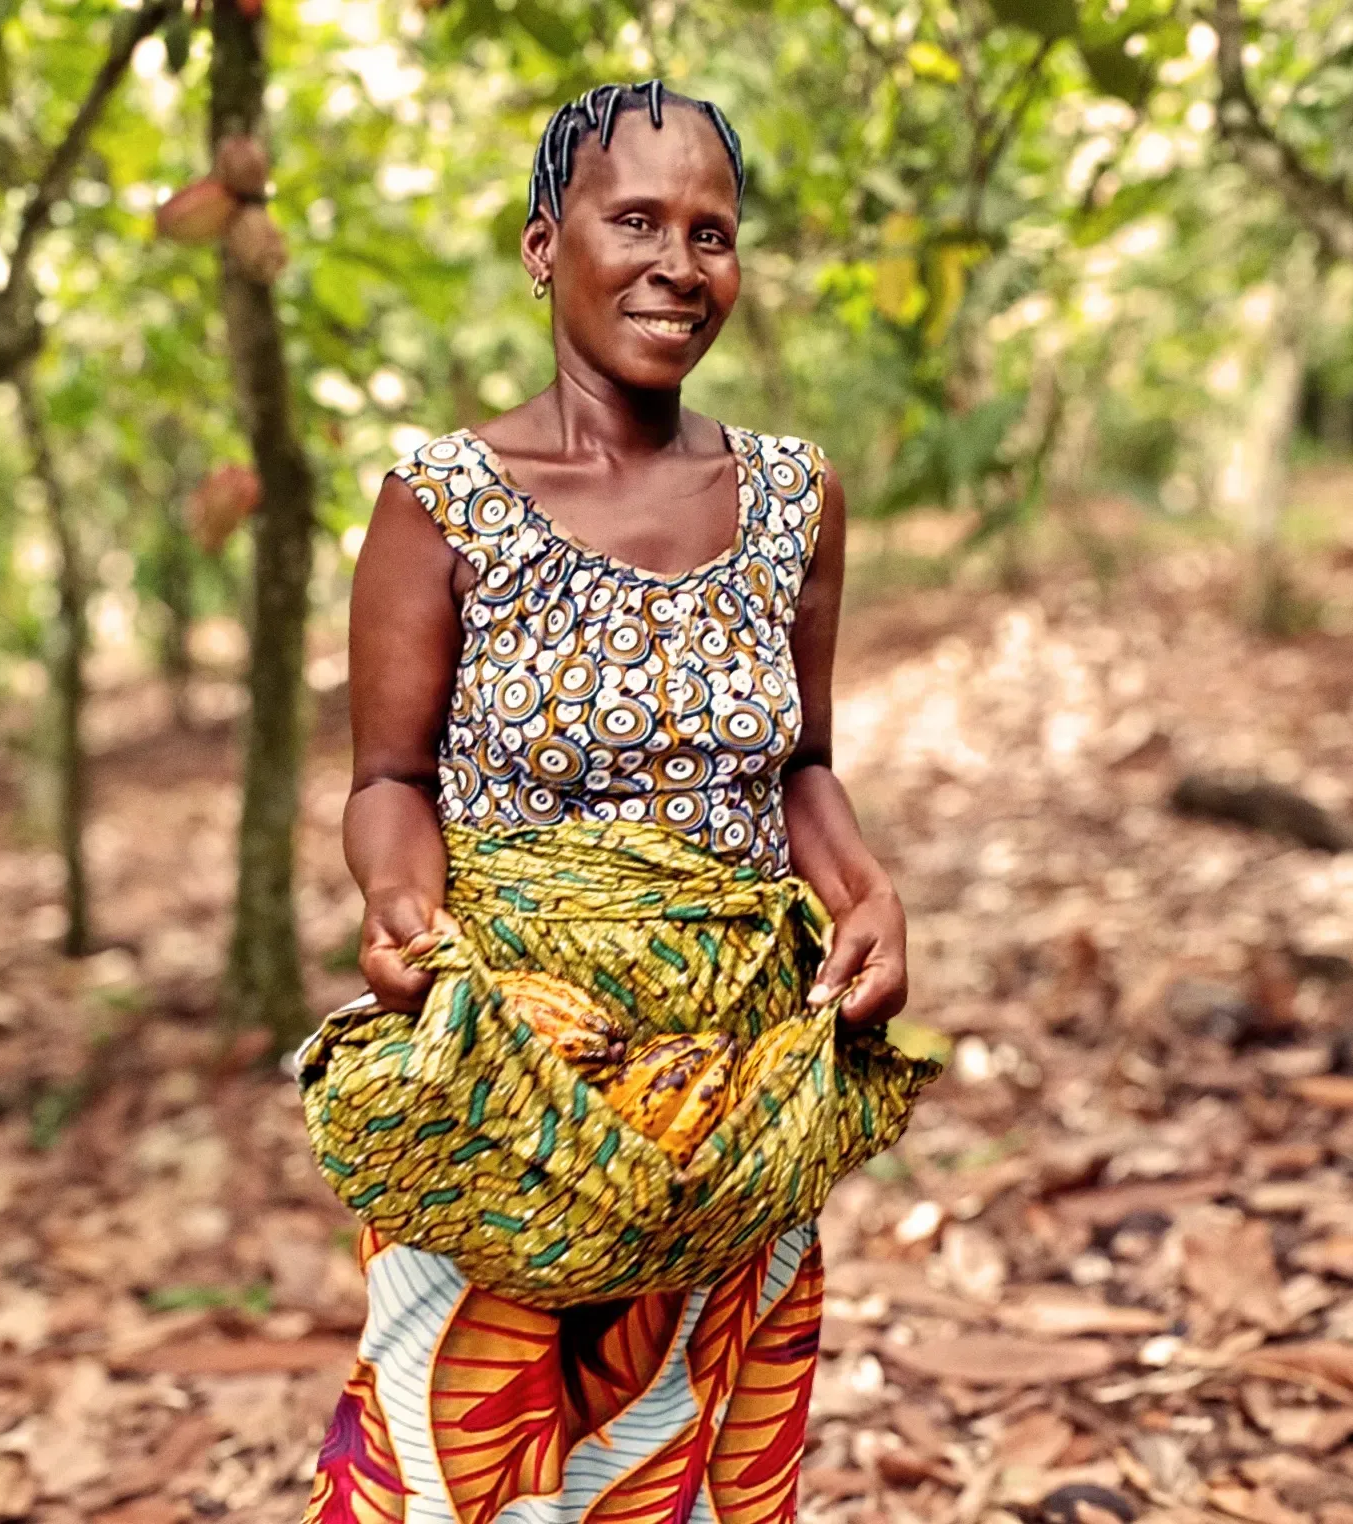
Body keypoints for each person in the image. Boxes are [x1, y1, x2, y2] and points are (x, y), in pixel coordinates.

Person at [303, 81, 909, 1523]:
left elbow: (800, 765)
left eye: (713, 231)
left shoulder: (792, 496)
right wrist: (404, 912)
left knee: (689, 1471)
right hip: (511, 1064)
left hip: (735, 1080)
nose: (678, 263)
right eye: (634, 218)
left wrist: (864, 893)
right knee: (465, 1464)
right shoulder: (442, 499)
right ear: (540, 245)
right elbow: (389, 780)